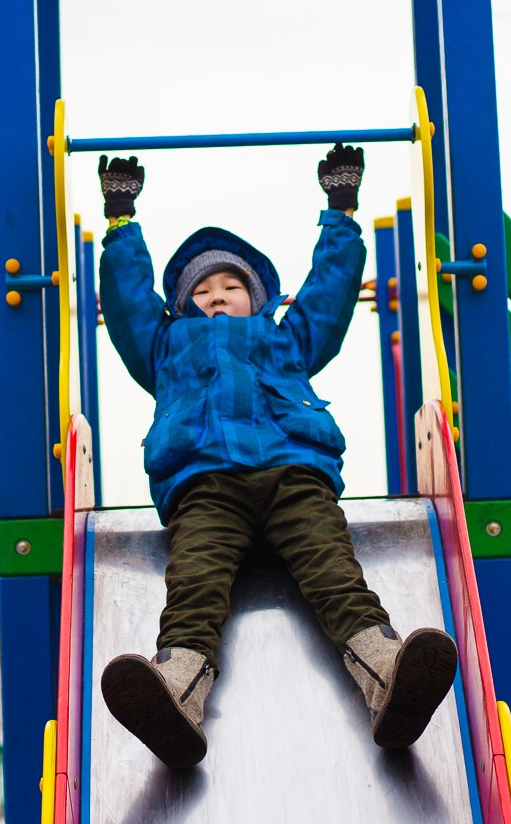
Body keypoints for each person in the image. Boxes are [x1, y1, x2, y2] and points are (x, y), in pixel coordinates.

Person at [97, 145, 457, 769]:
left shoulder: (286, 338)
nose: (216, 296)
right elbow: (129, 304)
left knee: (333, 571)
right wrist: (122, 222)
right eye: (200, 290)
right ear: (180, 304)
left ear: (258, 295)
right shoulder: (163, 346)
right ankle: (177, 691)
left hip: (294, 475)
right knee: (194, 581)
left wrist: (340, 212)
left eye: (231, 286)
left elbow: (328, 297)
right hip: (204, 483)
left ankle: (387, 673)